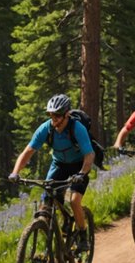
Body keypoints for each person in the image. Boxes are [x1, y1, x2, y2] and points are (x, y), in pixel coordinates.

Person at [9, 94, 93, 251]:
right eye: (51, 115)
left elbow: (89, 154)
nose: (54, 119)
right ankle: (49, 242)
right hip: (59, 165)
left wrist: (82, 173)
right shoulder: (45, 129)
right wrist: (15, 172)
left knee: (74, 201)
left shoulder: (77, 128)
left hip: (79, 166)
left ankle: (83, 235)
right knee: (47, 202)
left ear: (67, 114)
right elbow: (28, 152)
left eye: (58, 115)